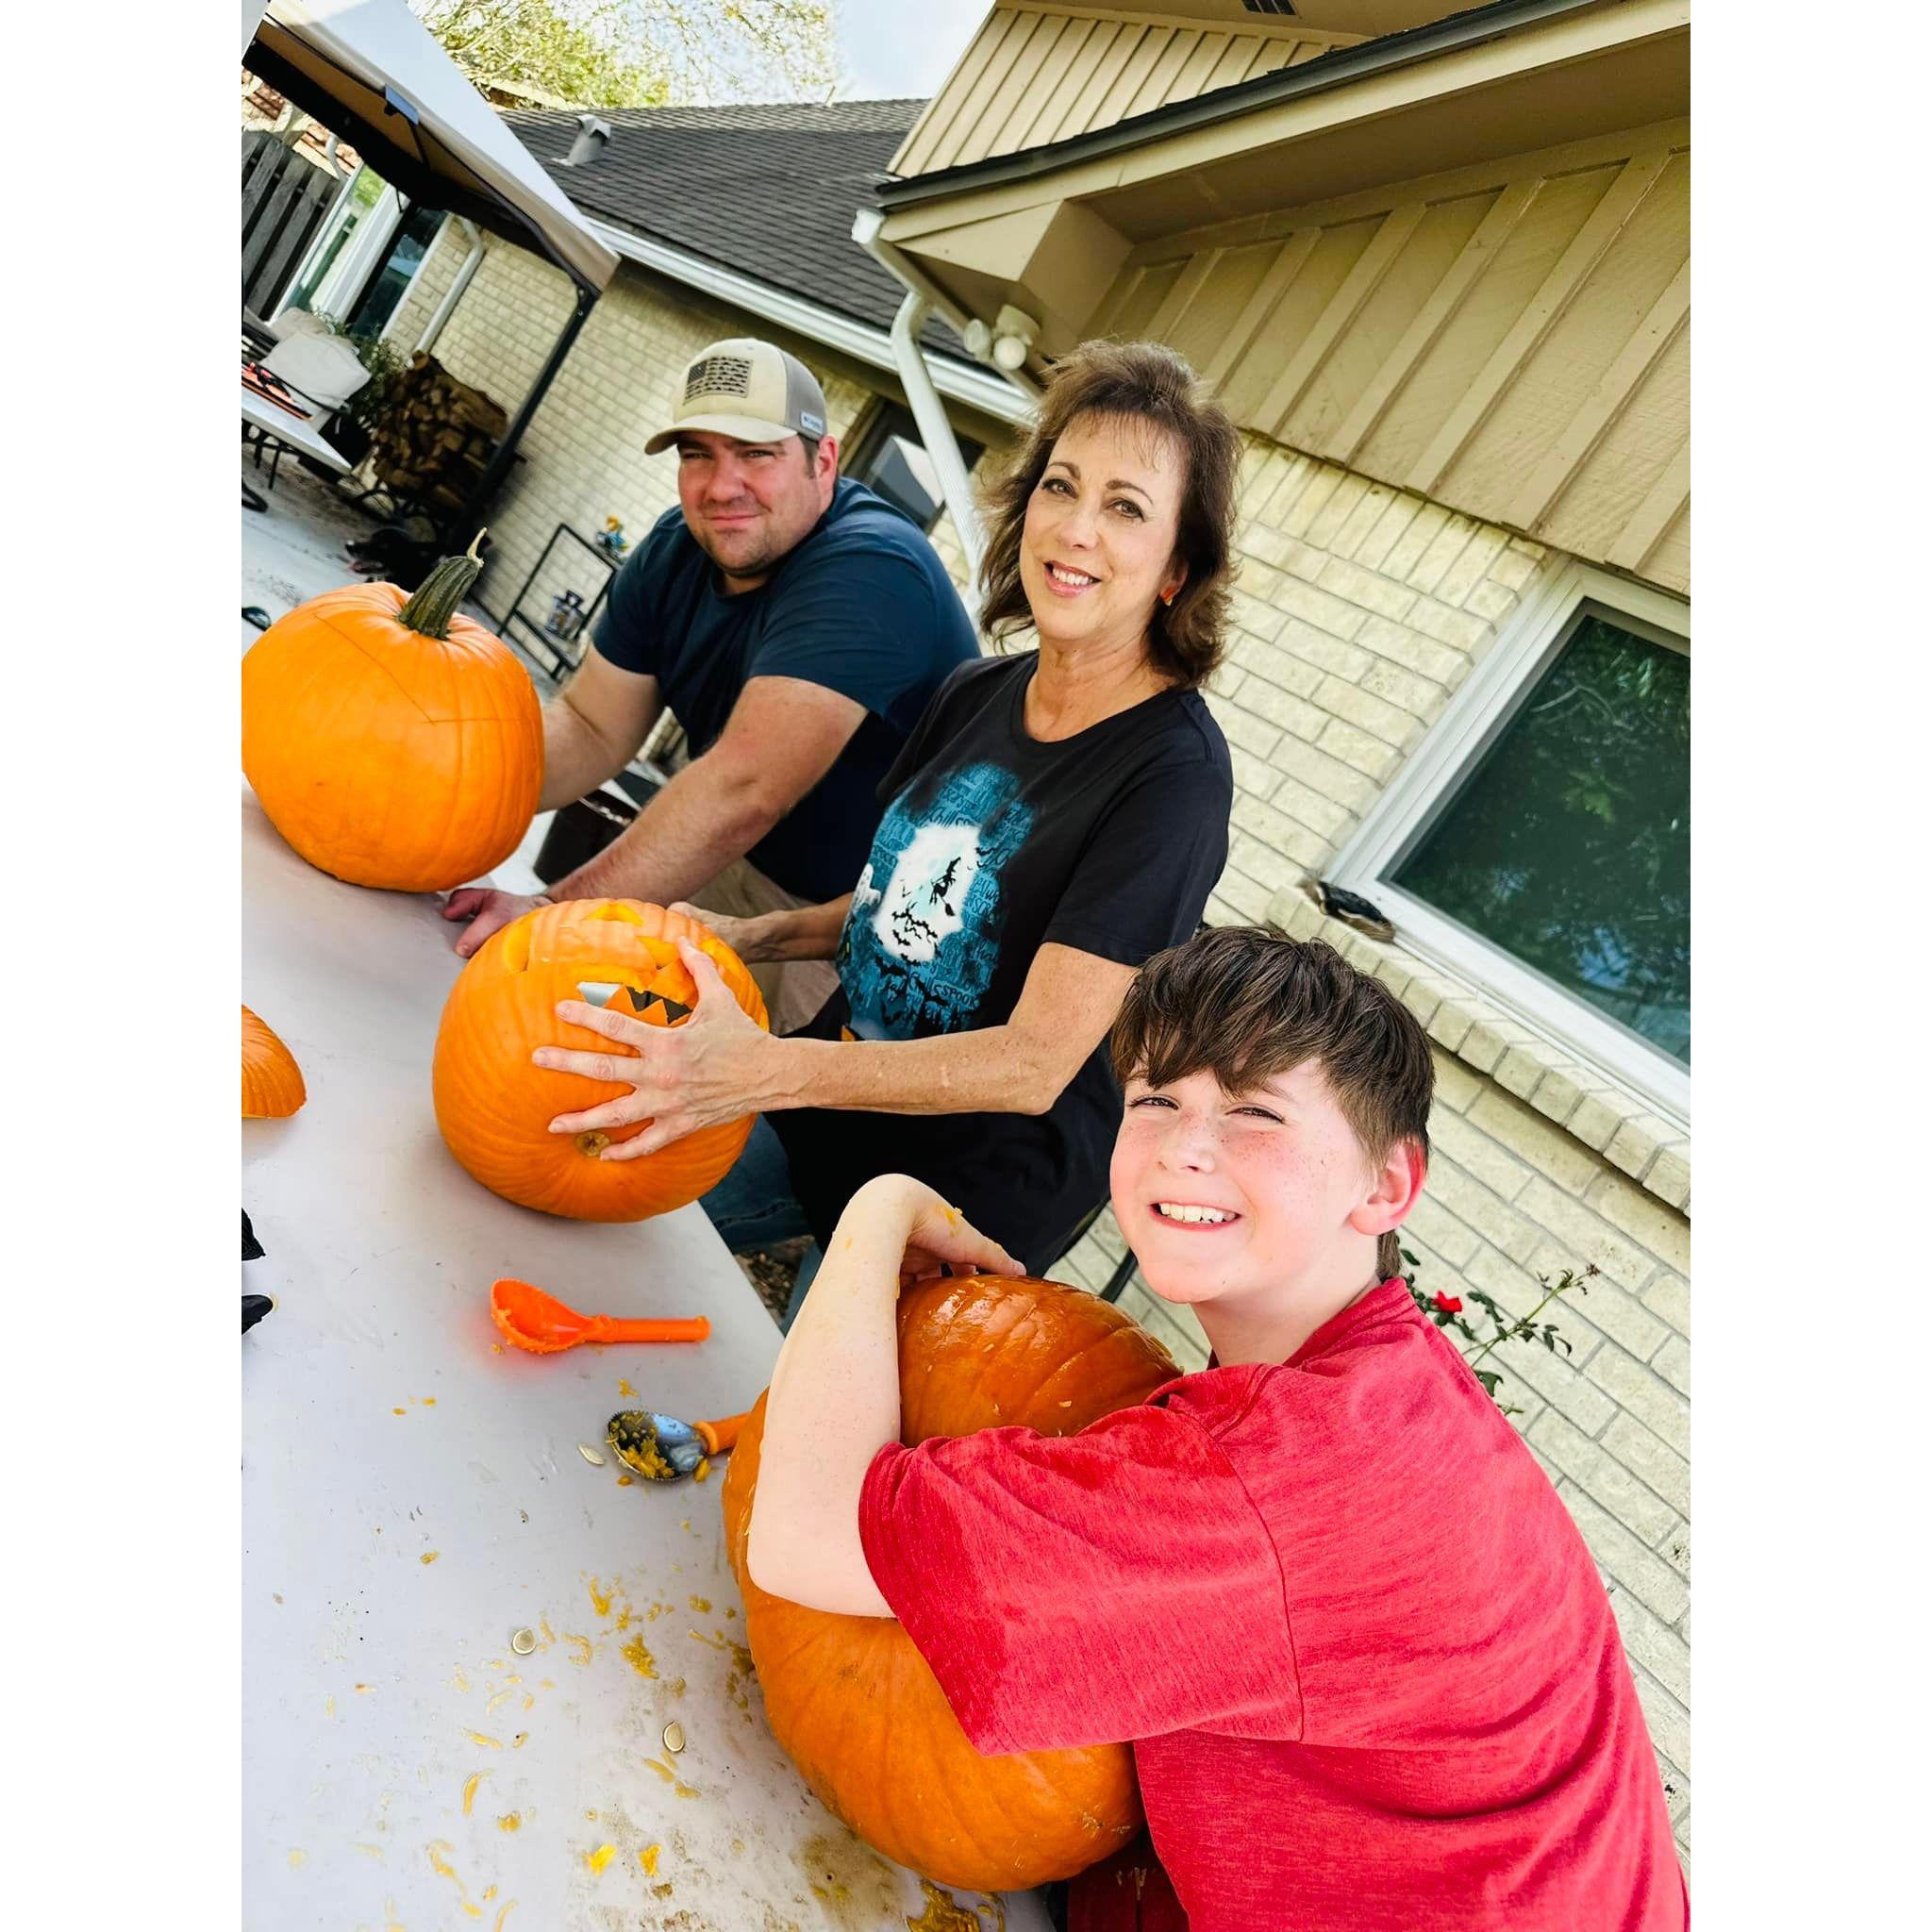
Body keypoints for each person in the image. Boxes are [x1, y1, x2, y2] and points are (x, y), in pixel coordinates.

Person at [744, 928, 1690, 1932]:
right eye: (1154, 1097)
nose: (1182, 1146)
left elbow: (800, 1536)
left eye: (1252, 1110)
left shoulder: (1287, 1476)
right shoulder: (1383, 1382)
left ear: (1385, 1185)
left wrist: (877, 1208)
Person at [524, 340, 1241, 1314]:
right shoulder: (977, 692)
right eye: (1059, 487)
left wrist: (762, 1066)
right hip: (829, 1102)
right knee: (576, 1199)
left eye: (1124, 507)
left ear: (1176, 569)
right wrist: (748, 934)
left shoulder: (1171, 774)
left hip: (951, 1199)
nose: (1075, 529)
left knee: (789, 1426)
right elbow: (893, 896)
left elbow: (1034, 1062)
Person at [441, 336, 979, 1034]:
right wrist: (443, 796)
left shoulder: (874, 568)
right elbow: (591, 725)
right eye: (698, 453)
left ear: (823, 460)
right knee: (539, 1028)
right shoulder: (675, 549)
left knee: (661, 1102)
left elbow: (742, 792)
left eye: (756, 454)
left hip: (851, 937)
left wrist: (549, 918)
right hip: (725, 866)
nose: (721, 487)